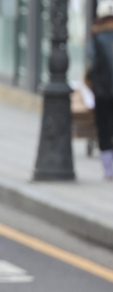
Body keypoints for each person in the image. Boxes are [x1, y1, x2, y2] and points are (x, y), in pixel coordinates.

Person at [87, 0, 113, 180]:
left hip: (102, 91)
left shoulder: (95, 38)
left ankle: (109, 169)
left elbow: (91, 65)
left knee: (103, 128)